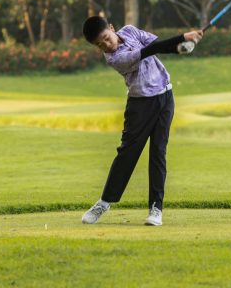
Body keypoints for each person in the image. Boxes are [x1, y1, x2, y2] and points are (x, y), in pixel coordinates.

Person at [81, 16, 203, 226]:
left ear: (111, 28)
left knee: (158, 153)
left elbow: (157, 45)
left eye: (106, 38)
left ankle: (156, 208)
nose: (106, 45)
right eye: (99, 45)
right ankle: (105, 202)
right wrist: (184, 37)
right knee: (127, 153)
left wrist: (181, 47)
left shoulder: (130, 31)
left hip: (165, 97)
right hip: (140, 105)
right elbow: (149, 51)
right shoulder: (115, 59)